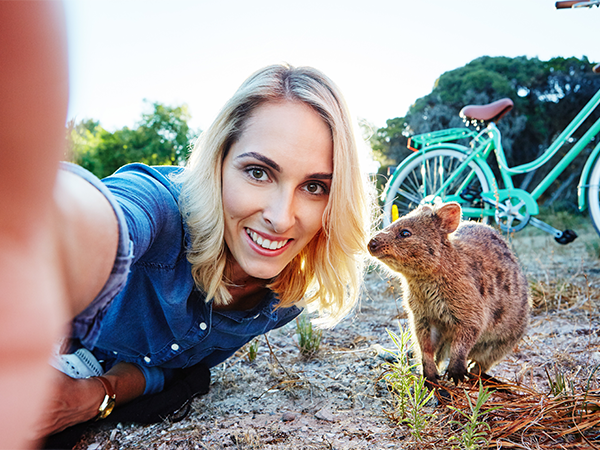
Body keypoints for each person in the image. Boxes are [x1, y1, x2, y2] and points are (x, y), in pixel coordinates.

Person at [31, 59, 372, 445]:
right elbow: (100, 216)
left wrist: (94, 397)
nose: (280, 219)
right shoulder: (161, 209)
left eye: (314, 187)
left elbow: (173, 369)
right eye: (259, 172)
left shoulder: (282, 299)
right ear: (219, 162)